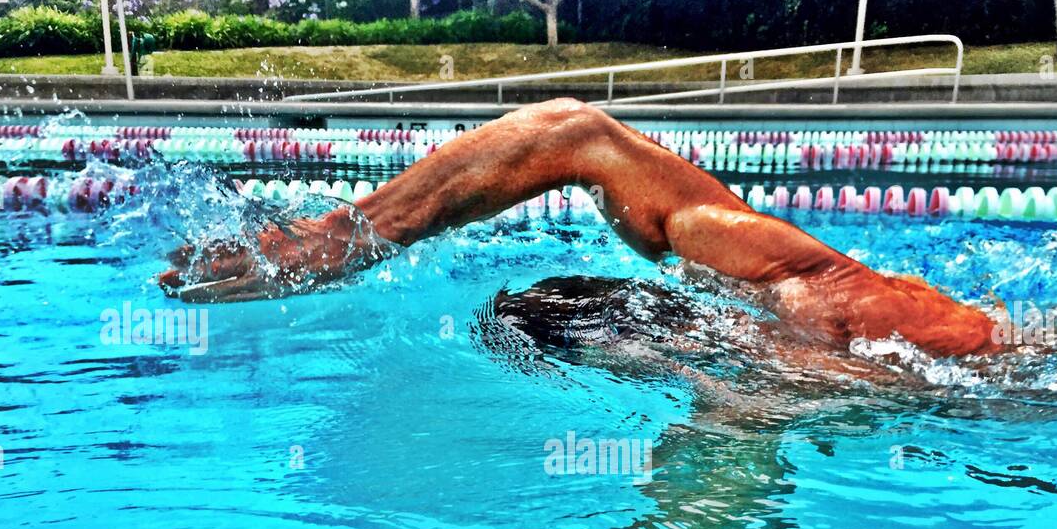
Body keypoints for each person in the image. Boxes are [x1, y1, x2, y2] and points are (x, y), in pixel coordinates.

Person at [159, 98, 1002, 358]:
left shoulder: (798, 313)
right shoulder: (733, 280)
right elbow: (576, 132)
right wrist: (341, 237)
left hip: (1021, 386)